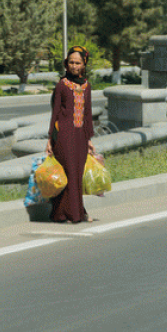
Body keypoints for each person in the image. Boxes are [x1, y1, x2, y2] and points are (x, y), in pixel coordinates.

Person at [45, 45, 96, 223]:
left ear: (84, 64)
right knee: (68, 174)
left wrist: (89, 139)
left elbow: (88, 113)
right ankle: (67, 214)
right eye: (71, 62)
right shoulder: (62, 85)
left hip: (80, 137)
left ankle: (75, 212)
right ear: (67, 64)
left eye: (78, 63)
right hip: (64, 136)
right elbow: (55, 112)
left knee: (77, 175)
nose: (74, 66)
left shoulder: (87, 86)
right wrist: (50, 139)